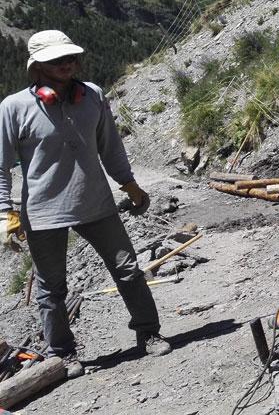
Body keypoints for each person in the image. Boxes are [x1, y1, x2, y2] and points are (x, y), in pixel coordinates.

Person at [0, 30, 171, 378]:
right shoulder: (13, 107)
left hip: (96, 204)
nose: (68, 64)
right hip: (43, 213)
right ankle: (63, 353)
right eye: (57, 59)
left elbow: (110, 146)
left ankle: (148, 333)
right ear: (38, 66)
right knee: (51, 288)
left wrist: (130, 184)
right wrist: (4, 211)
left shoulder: (92, 95)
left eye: (71, 57)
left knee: (128, 270)